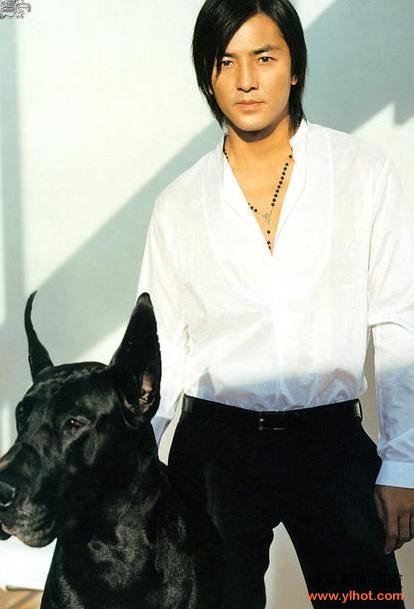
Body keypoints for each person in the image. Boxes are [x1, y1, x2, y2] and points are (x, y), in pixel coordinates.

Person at [137, 0, 414, 607]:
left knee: (363, 602)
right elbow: (163, 350)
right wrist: (135, 465)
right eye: (226, 61)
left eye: (264, 57)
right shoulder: (178, 203)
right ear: (208, 77)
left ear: (295, 67)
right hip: (215, 451)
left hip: (330, 443)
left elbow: (398, 321)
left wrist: (403, 463)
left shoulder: (362, 172)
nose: (246, 79)